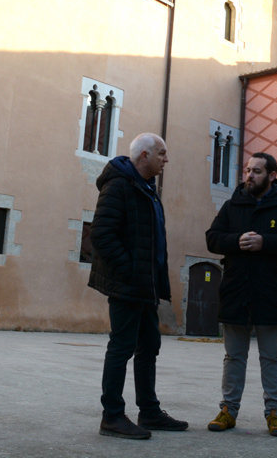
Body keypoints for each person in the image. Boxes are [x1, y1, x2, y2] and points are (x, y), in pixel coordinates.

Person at [88, 132, 188, 439]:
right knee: (122, 347)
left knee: (149, 346)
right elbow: (102, 235)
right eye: (161, 153)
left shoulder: (147, 188)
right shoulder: (119, 185)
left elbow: (153, 240)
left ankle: (150, 412)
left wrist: (155, 281)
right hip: (128, 284)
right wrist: (130, 271)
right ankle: (112, 417)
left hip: (146, 286)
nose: (166, 159)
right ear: (144, 155)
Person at [205, 152, 277, 437]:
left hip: (271, 291)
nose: (250, 176)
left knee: (271, 357)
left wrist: (265, 242)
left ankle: (275, 413)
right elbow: (212, 238)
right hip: (236, 290)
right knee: (233, 357)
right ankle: (228, 410)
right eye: (248, 171)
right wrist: (235, 242)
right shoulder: (232, 204)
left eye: (257, 172)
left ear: (272, 175)